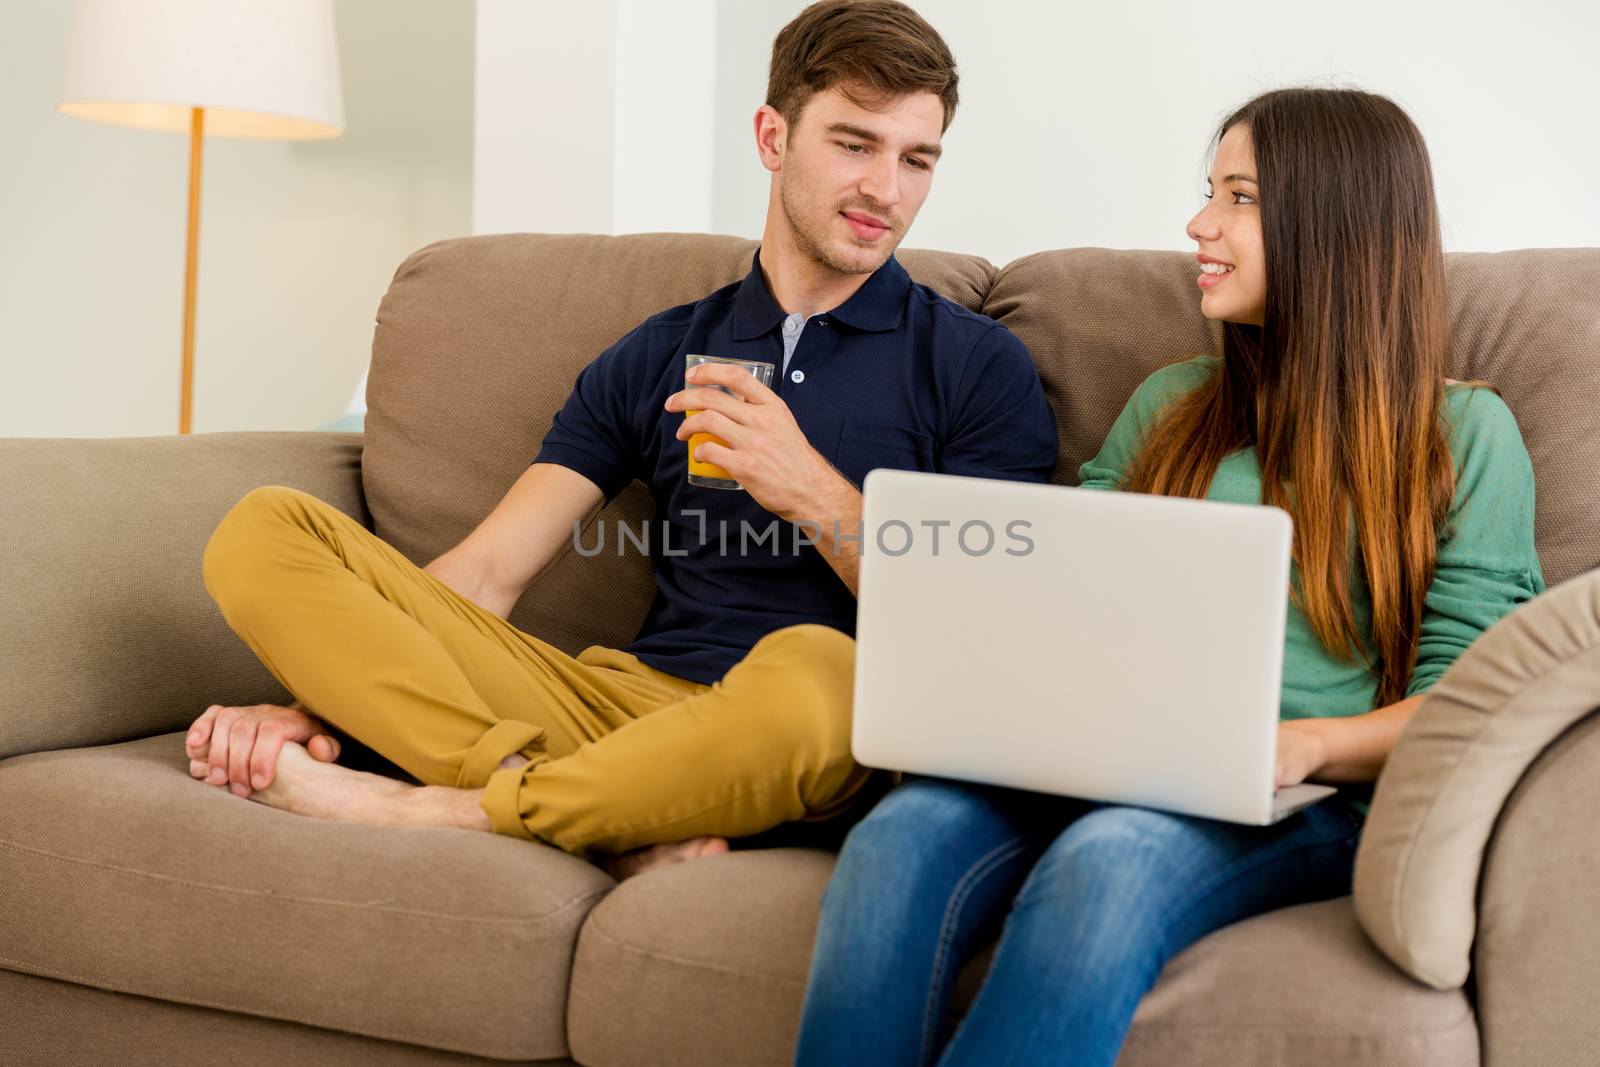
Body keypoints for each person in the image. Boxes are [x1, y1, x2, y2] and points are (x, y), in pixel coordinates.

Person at [185, 0, 1058, 879]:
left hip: (800, 727)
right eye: (854, 144)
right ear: (772, 136)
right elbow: (488, 574)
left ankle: (442, 808)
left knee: (822, 671)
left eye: (917, 159)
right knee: (265, 528)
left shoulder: (976, 364)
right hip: (613, 704)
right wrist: (323, 701)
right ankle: (579, 805)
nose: (887, 190)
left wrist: (807, 487)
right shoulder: (660, 351)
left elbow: (973, 631)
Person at [795, 85, 1547, 1065]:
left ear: (1333, 224)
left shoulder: (1463, 435)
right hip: (1091, 754)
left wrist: (1301, 745)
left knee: (1112, 861)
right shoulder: (1172, 405)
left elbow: (1468, 698)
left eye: (1238, 197)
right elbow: (1066, 598)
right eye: (1209, 192)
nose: (1199, 223)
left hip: (1299, 797)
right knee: (894, 842)